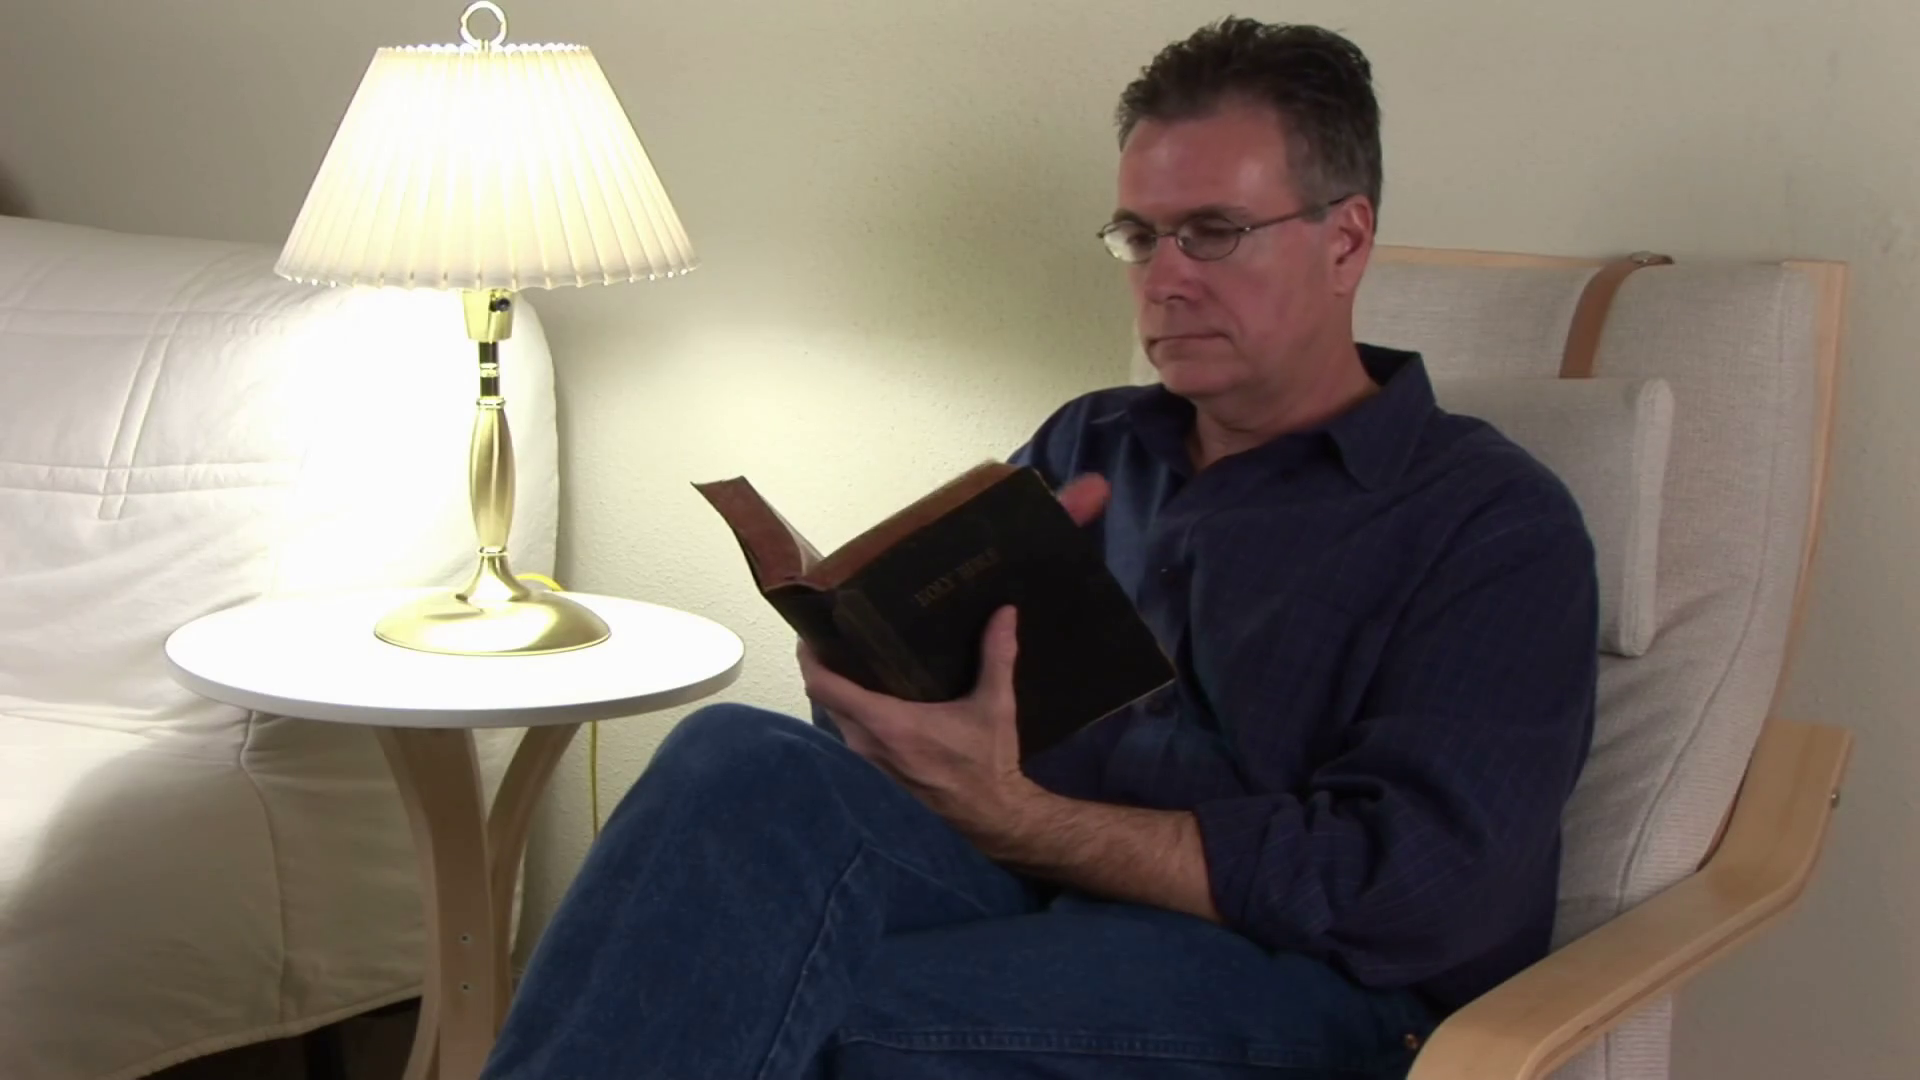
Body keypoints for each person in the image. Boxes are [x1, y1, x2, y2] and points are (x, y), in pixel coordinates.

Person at [482, 17, 1597, 1080]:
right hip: (1030, 894)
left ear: (1345, 238)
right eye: (1140, 235)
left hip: (1312, 990)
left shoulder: (1486, 521)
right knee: (733, 758)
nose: (1165, 276)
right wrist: (873, 675)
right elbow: (960, 725)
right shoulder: (1091, 441)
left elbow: (1417, 891)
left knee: (781, 997)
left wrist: (1027, 820)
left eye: (1214, 232)